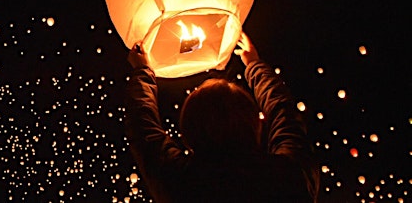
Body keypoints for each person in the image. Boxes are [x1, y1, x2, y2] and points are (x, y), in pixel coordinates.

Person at [125, 32, 319, 202]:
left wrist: (142, 71)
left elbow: (143, 127)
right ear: (253, 123)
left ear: (189, 130)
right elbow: (284, 112)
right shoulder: (288, 177)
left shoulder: (183, 185)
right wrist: (254, 64)